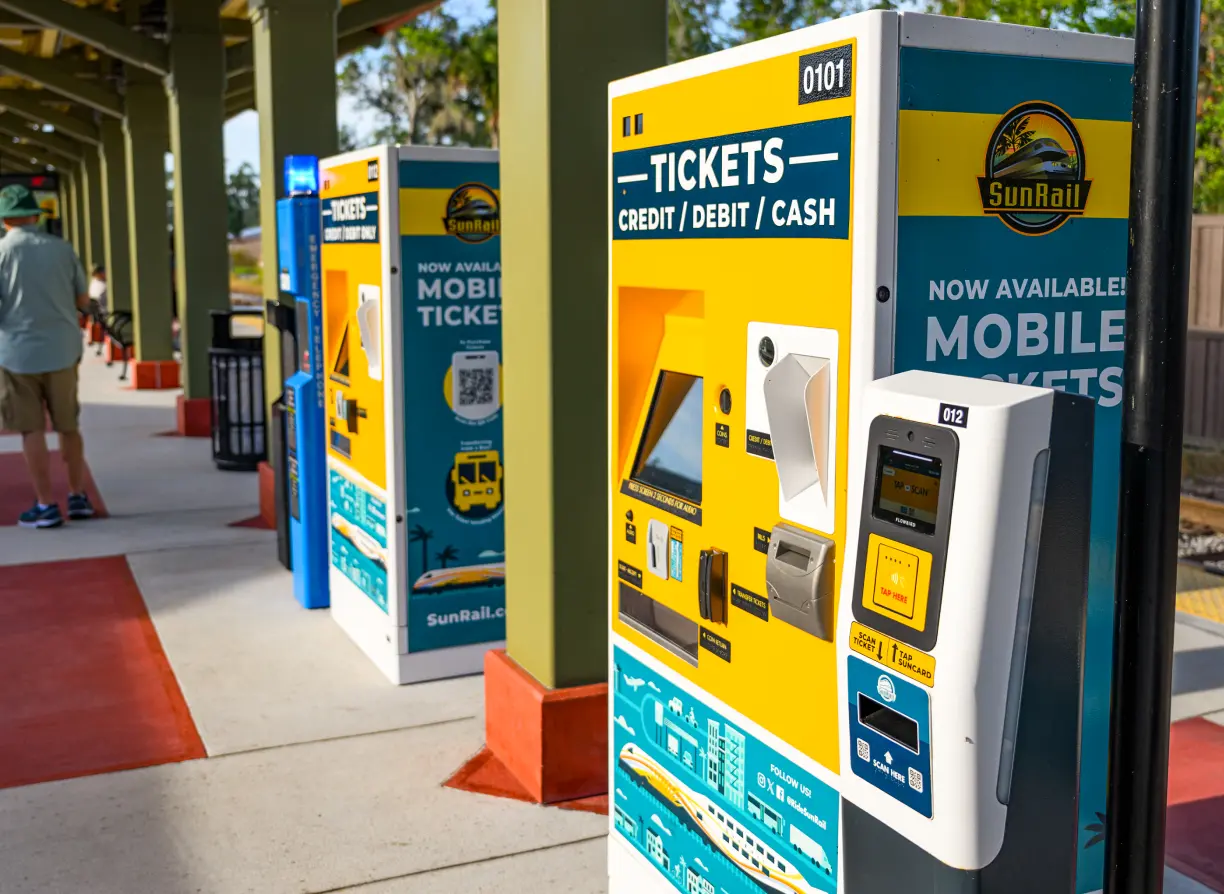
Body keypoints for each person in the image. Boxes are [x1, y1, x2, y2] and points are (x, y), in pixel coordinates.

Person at [0, 184, 95, 528]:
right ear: (34, 215)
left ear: (5, 220)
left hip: (17, 355)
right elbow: (83, 301)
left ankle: (45, 505)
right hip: (63, 350)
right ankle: (78, 495)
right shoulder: (62, 249)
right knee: (68, 425)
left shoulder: (0, 253)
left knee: (31, 430)